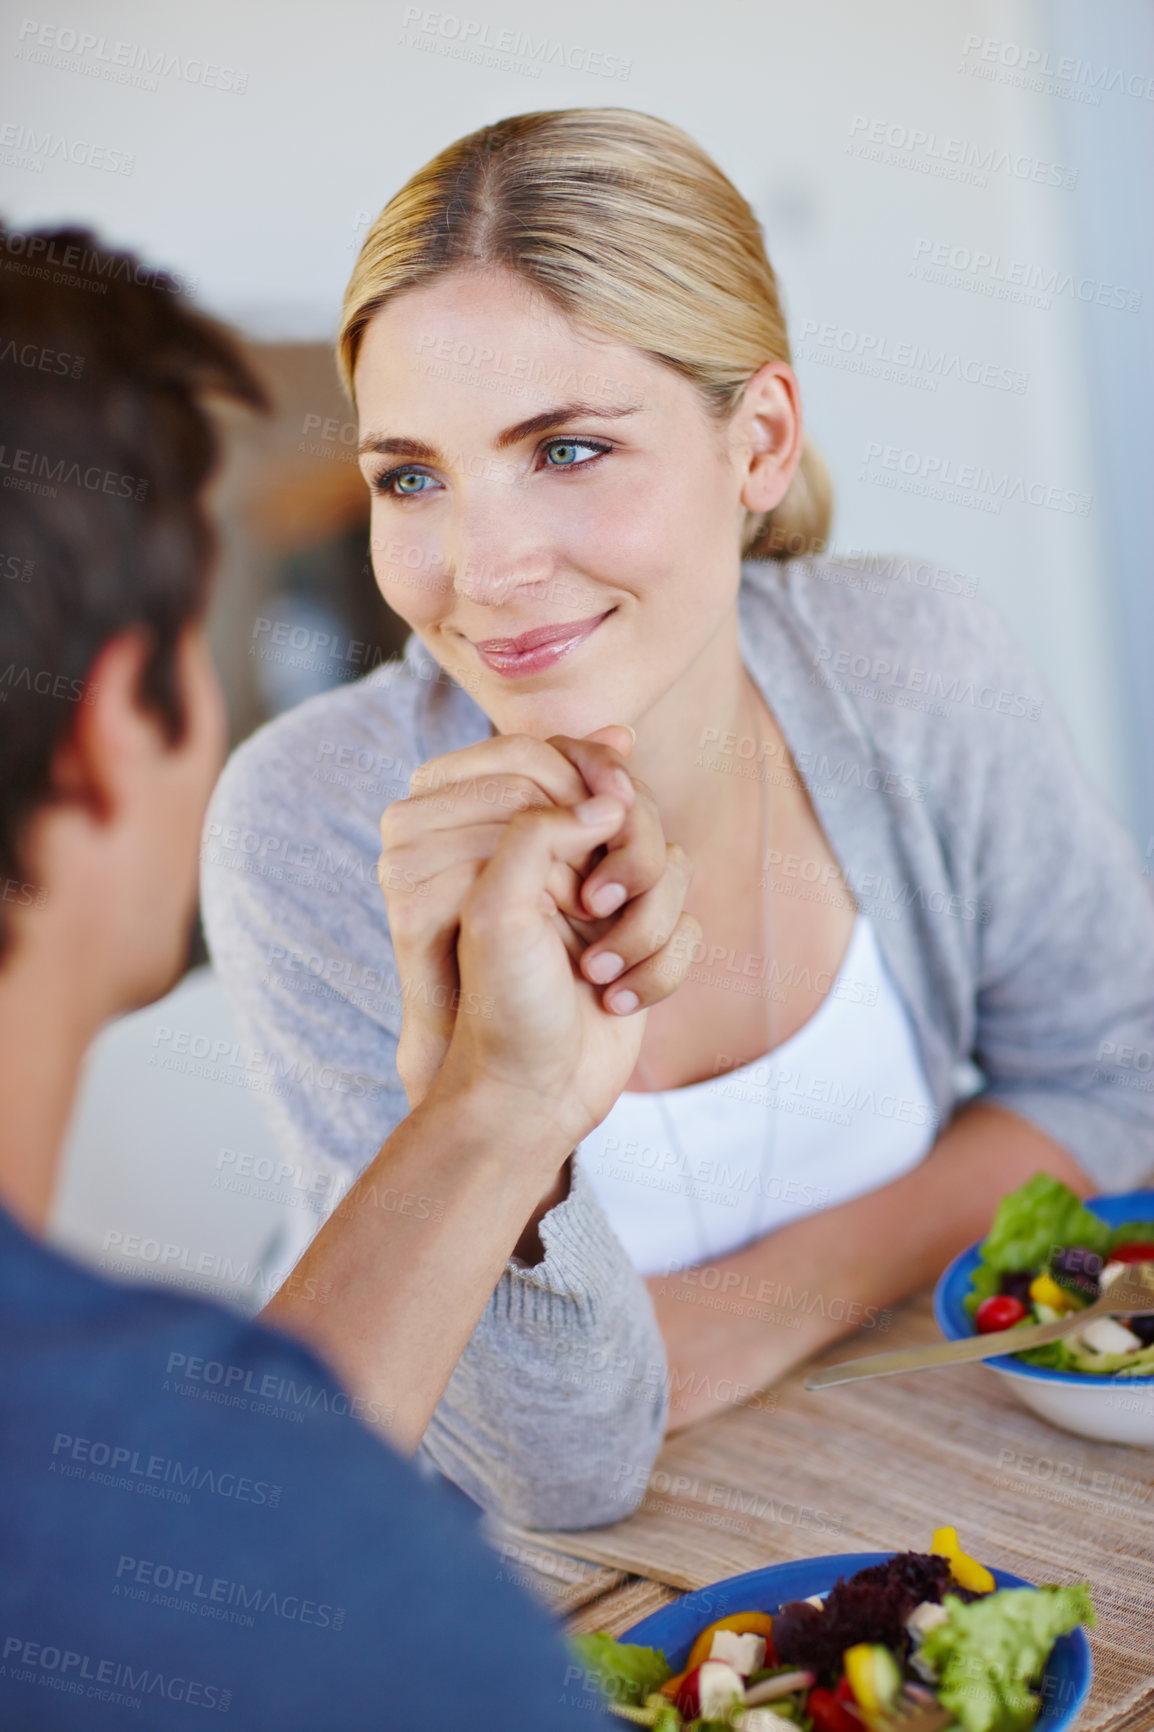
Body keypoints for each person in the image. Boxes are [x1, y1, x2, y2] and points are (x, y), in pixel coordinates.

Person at [203, 106, 1154, 1523]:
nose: (485, 564)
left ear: (758, 442)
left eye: (567, 449)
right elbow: (558, 1468)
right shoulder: (317, 822)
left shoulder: (911, 667)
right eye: (413, 475)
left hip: (879, 1490)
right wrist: (497, 1111)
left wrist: (747, 1309)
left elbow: (1110, 1082)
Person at [0, 222, 685, 1727]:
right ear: (122, 726)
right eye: (409, 475)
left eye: (565, 451)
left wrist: (497, 1108)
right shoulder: (399, 1635)